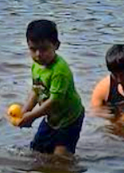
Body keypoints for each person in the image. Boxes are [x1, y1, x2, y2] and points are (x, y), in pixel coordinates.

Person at [17, 19, 83, 156]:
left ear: (56, 45)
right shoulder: (36, 66)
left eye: (44, 49)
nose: (38, 55)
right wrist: (24, 112)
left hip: (69, 119)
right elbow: (36, 90)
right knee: (36, 151)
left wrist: (32, 117)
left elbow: (54, 102)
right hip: (51, 117)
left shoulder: (59, 71)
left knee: (61, 158)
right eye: (33, 49)